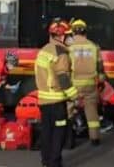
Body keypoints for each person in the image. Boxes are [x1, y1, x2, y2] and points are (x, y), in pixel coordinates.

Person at [35, 20, 78, 167]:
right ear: (60, 36)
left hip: (44, 101)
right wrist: (75, 96)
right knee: (59, 133)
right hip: (57, 102)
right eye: (68, 35)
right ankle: (55, 163)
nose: (71, 38)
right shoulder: (61, 52)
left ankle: (46, 161)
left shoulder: (44, 50)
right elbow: (63, 77)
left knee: (47, 132)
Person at [68, 19, 104, 146]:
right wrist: (101, 81)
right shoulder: (94, 46)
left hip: (73, 84)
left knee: (69, 110)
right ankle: (95, 138)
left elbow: (66, 67)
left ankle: (68, 138)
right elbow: (100, 66)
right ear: (85, 32)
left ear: (73, 32)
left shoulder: (69, 48)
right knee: (92, 111)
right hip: (90, 84)